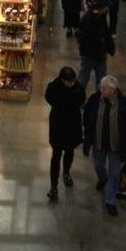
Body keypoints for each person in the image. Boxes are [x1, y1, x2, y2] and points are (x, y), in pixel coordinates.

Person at [83, 74, 126, 217]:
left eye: (104, 88)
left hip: (116, 146)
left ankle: (111, 201)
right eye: (101, 86)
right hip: (98, 143)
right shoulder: (95, 100)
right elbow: (87, 117)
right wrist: (87, 135)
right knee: (98, 165)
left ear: (113, 90)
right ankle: (102, 178)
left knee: (114, 173)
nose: (101, 89)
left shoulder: (125, 104)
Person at [45, 66, 85, 201]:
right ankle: (53, 186)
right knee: (56, 155)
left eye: (73, 81)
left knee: (69, 151)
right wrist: (65, 104)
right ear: (62, 80)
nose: (71, 84)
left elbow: (82, 100)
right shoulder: (53, 87)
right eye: (69, 82)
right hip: (58, 125)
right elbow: (50, 99)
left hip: (72, 125)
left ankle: (66, 173)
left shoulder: (78, 87)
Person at [77, 0, 114, 91]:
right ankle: (77, 95)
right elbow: (89, 36)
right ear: (102, 8)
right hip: (92, 53)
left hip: (95, 53)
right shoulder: (91, 18)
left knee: (91, 76)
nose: (107, 10)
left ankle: (98, 98)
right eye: (106, 8)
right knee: (86, 76)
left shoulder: (98, 16)